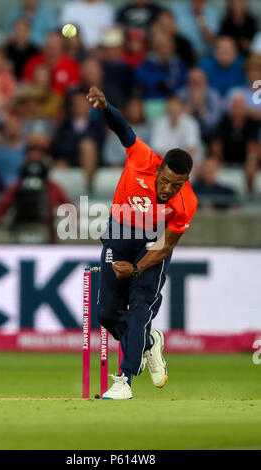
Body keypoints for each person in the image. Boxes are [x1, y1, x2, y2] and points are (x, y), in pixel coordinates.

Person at [86, 86, 197, 399]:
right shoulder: (142, 157)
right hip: (119, 236)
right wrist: (105, 106)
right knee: (106, 313)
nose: (166, 189)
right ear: (159, 167)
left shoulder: (186, 202)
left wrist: (135, 270)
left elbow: (166, 246)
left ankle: (124, 381)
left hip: (151, 248)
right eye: (164, 180)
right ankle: (148, 343)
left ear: (185, 182)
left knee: (138, 310)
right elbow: (122, 128)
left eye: (175, 186)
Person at [0, 132, 73, 243]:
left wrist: (60, 226)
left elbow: (71, 210)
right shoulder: (16, 187)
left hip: (46, 235)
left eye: (38, 161)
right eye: (32, 161)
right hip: (20, 233)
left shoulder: (53, 188)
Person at [51, 88, 104, 190]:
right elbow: (59, 148)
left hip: (93, 161)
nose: (79, 105)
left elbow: (100, 145)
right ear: (71, 107)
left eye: (82, 101)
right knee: (58, 165)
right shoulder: (64, 127)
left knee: (87, 146)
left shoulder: (97, 126)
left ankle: (87, 189)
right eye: (76, 102)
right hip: (70, 161)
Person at [211, 92, 259, 192]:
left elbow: (254, 147)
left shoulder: (252, 123)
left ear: (245, 107)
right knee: (211, 166)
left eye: (240, 106)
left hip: (245, 163)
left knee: (251, 167)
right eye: (235, 106)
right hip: (225, 161)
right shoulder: (224, 123)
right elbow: (216, 145)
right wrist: (219, 160)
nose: (237, 110)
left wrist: (250, 162)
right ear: (231, 108)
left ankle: (249, 195)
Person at [150, 95, 202, 168]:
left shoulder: (190, 123)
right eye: (171, 109)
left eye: (175, 109)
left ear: (181, 108)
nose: (173, 111)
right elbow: (157, 149)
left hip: (187, 163)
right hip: (166, 163)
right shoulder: (159, 123)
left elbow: (191, 149)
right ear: (167, 109)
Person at [23, 32, 81, 96]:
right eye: (49, 47)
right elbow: (25, 89)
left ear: (61, 48)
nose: (51, 51)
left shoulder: (71, 66)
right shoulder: (32, 63)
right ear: (44, 47)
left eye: (55, 47)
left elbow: (74, 92)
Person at [135, 32, 188, 99]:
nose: (163, 51)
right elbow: (142, 80)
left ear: (173, 47)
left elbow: (183, 84)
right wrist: (160, 82)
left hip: (175, 102)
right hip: (153, 101)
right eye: (160, 47)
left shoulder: (180, 65)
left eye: (166, 46)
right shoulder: (147, 64)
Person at [178, 68, 223, 142]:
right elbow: (177, 119)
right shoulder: (181, 94)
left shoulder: (214, 95)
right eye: (193, 81)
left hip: (208, 135)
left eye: (199, 81)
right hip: (185, 137)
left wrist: (201, 107)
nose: (196, 85)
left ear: (205, 82)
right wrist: (192, 105)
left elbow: (215, 123)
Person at [103, 96, 151, 166]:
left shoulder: (150, 129)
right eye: (132, 107)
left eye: (137, 106)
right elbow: (107, 155)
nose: (135, 110)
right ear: (126, 110)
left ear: (143, 110)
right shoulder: (115, 130)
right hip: (117, 170)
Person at [0, 114, 25, 186]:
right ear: (4, 129)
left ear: (19, 128)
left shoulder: (26, 149)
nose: (12, 129)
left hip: (19, 188)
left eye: (15, 127)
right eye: (9, 127)